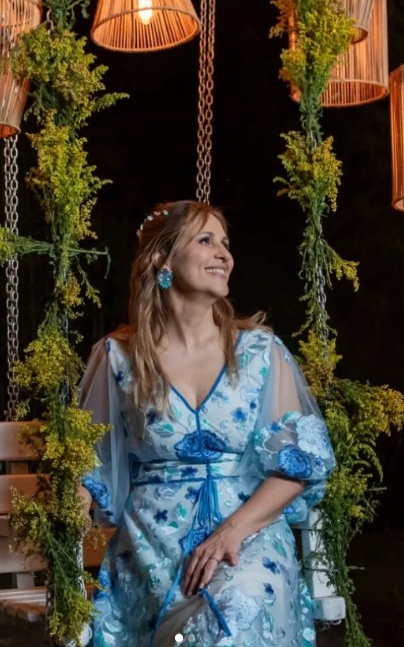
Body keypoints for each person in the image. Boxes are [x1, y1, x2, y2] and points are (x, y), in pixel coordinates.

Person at [79, 200, 335, 647]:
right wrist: (62, 520)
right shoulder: (118, 357)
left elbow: (296, 468)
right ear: (162, 259)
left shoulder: (260, 352)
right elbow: (88, 466)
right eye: (206, 240)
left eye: (225, 243)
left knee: (234, 612)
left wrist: (230, 533)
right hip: (152, 547)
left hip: (247, 537)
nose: (224, 254)